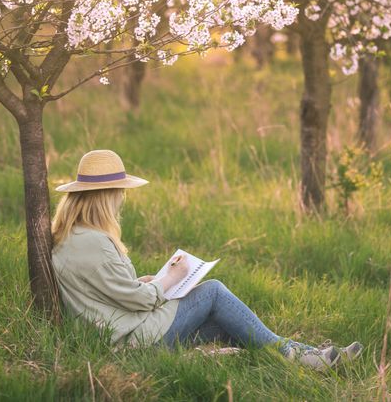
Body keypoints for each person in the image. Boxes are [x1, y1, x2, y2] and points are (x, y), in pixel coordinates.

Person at [51, 149, 363, 370]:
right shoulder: (94, 242)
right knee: (212, 290)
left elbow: (106, 290)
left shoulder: (73, 237)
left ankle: (308, 357)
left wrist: (143, 281)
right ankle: (303, 357)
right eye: (120, 191)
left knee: (229, 323)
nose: (122, 198)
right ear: (106, 195)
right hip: (132, 342)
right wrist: (169, 280)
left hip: (125, 335)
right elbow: (136, 301)